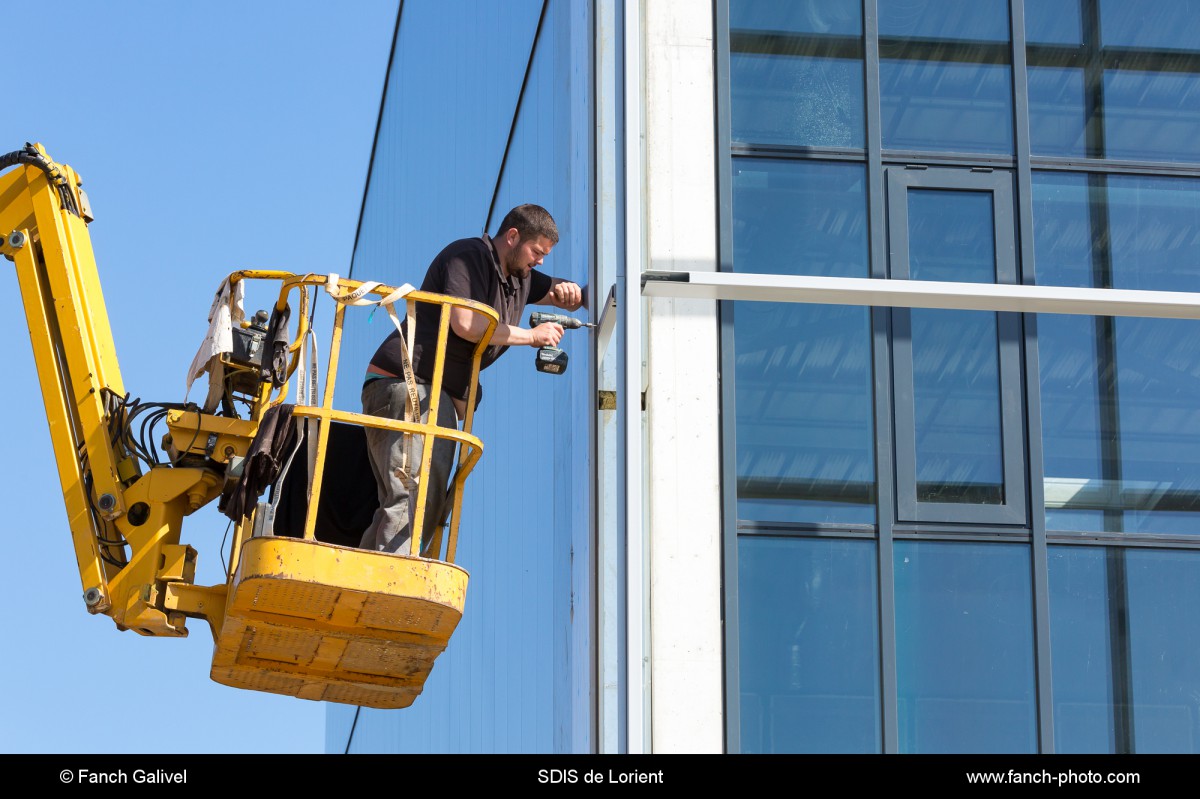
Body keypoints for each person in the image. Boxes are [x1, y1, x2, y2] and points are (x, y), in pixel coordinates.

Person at [359, 204, 584, 555]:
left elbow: (560, 293)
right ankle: (390, 577)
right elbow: (464, 323)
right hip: (406, 384)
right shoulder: (469, 257)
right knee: (414, 492)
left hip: (430, 393)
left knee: (420, 497)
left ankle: (370, 573)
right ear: (512, 236)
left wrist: (578, 294)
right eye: (536, 252)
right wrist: (531, 336)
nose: (540, 262)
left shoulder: (519, 278)